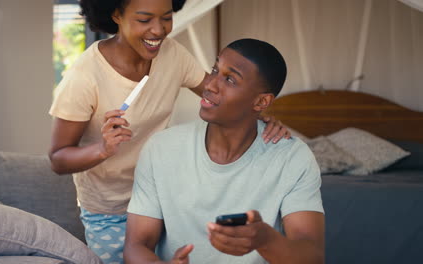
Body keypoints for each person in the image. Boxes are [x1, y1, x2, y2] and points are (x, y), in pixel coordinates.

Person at [48, 0, 290, 263]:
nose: (159, 30)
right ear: (116, 14)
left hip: (164, 199)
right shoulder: (84, 76)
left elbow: (221, 93)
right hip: (111, 210)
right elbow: (58, 159)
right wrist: (103, 149)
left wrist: (261, 114)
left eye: (166, 17)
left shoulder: (172, 54)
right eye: (144, 20)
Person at [124, 38, 325, 264]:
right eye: (214, 70)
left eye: (229, 79)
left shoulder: (293, 158)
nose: (209, 85)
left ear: (261, 102)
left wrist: (265, 240)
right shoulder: (160, 149)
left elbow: (312, 257)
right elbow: (136, 246)